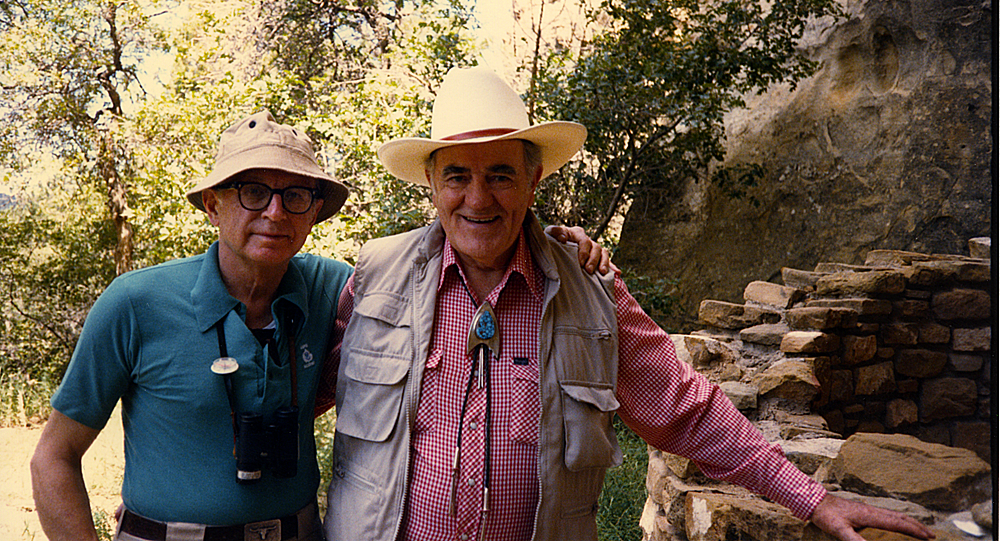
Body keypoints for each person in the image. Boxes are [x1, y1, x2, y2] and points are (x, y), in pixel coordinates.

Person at [318, 66, 935, 541]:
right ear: (431, 184)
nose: (478, 197)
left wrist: (813, 499)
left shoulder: (591, 294)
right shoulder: (375, 277)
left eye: (500, 174)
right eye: (457, 175)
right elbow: (302, 386)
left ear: (534, 180)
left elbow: (688, 410)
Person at [29, 110, 605, 541]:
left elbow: (450, 248)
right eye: (251, 191)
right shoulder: (135, 304)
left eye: (295, 195)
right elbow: (53, 457)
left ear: (314, 211)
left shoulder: (341, 287)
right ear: (212, 203)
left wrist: (557, 243)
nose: (274, 212)